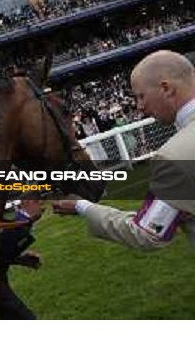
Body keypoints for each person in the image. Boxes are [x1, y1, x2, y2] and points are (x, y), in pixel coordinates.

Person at [52, 50, 195, 249]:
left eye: (141, 96)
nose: (139, 106)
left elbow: (146, 233)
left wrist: (82, 206)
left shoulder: (173, 158)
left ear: (166, 88)